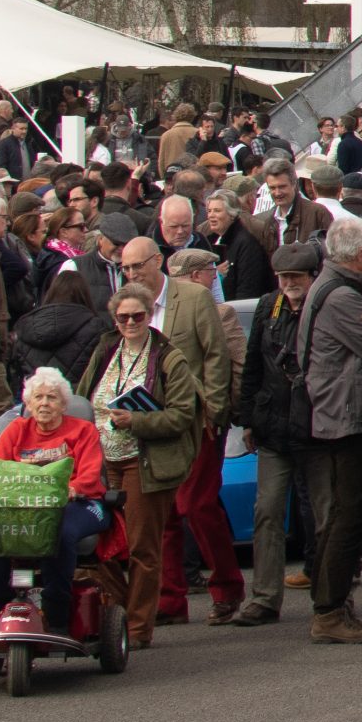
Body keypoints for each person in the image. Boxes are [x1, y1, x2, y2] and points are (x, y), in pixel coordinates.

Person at [114, 230, 241, 625]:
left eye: (138, 264)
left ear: (158, 261)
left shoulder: (194, 297)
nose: (132, 272)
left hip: (195, 420)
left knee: (197, 506)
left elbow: (216, 357)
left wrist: (215, 412)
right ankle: (170, 600)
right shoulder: (130, 307)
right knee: (163, 514)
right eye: (125, 268)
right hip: (150, 422)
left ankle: (227, 588)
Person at [76, 287, 205, 648]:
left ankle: (136, 629)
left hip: (144, 463)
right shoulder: (105, 350)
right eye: (123, 318)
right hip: (102, 464)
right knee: (96, 547)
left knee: (141, 549)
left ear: (150, 315)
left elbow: (182, 415)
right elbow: (82, 397)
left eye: (138, 316)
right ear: (114, 319)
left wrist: (135, 420)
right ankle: (117, 614)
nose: (130, 323)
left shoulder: (168, 358)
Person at [0, 366, 108, 634]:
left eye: (52, 398)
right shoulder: (17, 430)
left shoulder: (83, 431)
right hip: (22, 506)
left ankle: (56, 614)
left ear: (63, 404)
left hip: (76, 504)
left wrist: (71, 488)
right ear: (29, 403)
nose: (44, 403)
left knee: (59, 531)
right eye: (38, 397)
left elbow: (91, 478)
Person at [300, 218, 362, 643]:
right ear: (356, 255)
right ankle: (329, 610)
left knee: (340, 515)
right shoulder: (342, 298)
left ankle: (331, 606)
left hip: (335, 413)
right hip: (344, 418)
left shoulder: (332, 287)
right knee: (347, 516)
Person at [227, 240, 319, 627]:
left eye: (295, 276)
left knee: (320, 513)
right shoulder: (268, 307)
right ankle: (264, 598)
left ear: (311, 276)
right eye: (283, 277)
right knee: (266, 511)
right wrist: (247, 419)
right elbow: (251, 367)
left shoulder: (326, 305)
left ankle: (330, 593)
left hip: (317, 429)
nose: (289, 283)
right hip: (272, 428)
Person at [8, 268, 105, 391]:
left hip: (37, 400)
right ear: (84, 294)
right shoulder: (95, 327)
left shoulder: (25, 325)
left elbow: (17, 368)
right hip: (80, 400)